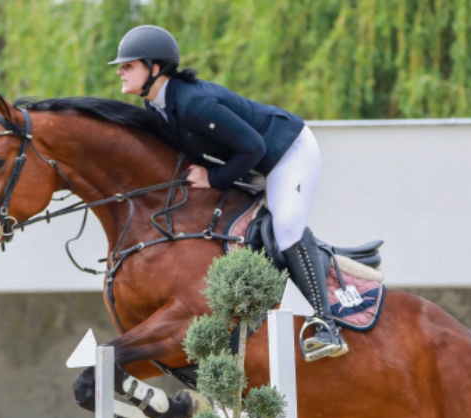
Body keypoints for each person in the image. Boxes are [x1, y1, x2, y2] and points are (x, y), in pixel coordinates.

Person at [109, 25, 347, 361]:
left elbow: (254, 146)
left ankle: (329, 325)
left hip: (287, 152)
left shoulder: (193, 103)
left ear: (155, 69)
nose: (120, 70)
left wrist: (215, 178)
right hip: (253, 162)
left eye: (129, 65)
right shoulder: (159, 107)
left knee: (287, 229)